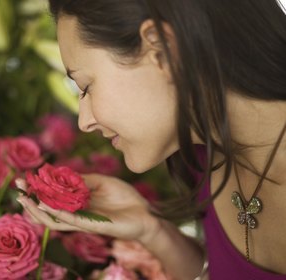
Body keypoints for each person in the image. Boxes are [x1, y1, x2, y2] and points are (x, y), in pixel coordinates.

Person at [16, 0, 286, 279]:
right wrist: (152, 230)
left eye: (85, 87)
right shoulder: (200, 155)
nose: (84, 122)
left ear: (161, 49)